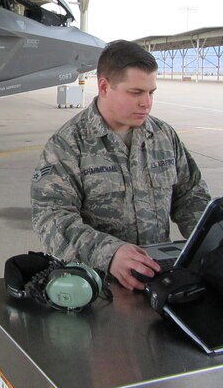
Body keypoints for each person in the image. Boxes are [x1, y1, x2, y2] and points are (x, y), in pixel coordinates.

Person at [31, 39, 211, 291]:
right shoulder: (68, 144)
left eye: (151, 93)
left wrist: (211, 239)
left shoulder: (162, 136)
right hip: (96, 285)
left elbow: (190, 194)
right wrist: (109, 253)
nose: (146, 103)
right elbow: (50, 218)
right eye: (136, 93)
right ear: (104, 87)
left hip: (158, 278)